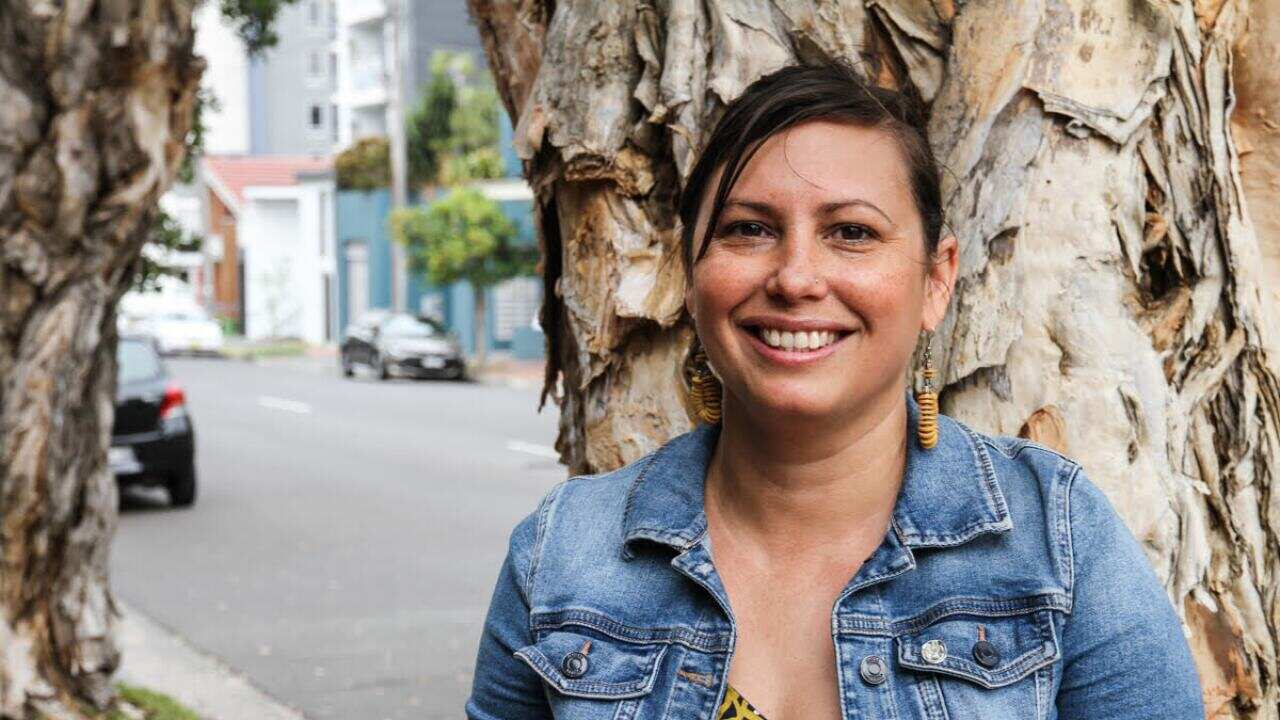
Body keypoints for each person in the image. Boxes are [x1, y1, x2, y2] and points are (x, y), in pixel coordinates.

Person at [465, 62, 1204, 720]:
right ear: (690, 279)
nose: (794, 278)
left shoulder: (1057, 543)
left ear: (936, 279)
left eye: (851, 232)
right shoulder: (563, 556)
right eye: (748, 229)